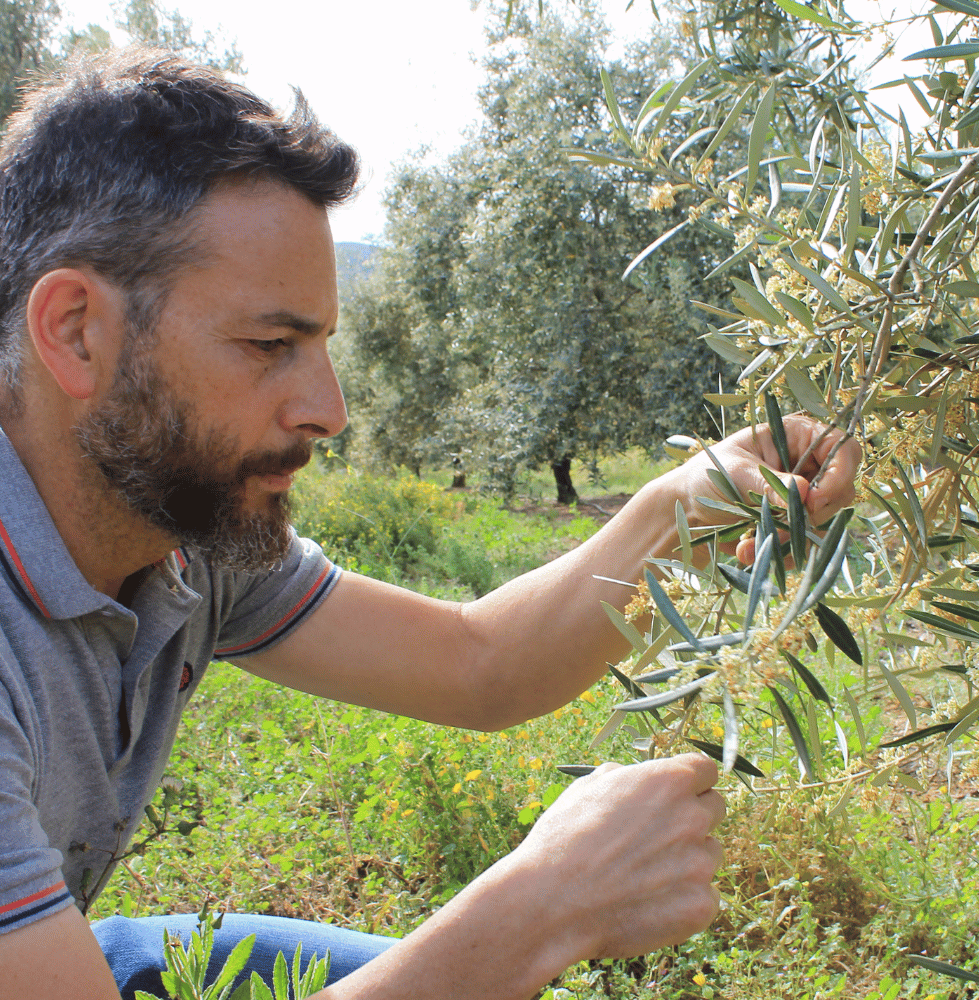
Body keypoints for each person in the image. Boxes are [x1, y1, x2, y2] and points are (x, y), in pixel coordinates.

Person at [0, 48, 861, 1000]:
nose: (327, 409)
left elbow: (477, 662)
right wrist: (546, 906)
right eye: (267, 345)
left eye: (321, 345)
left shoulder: (188, 537)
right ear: (76, 331)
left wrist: (681, 504)